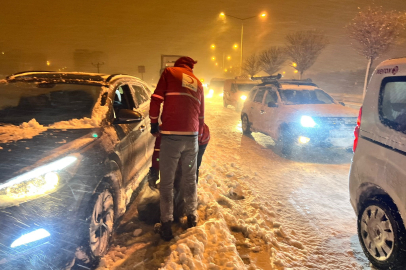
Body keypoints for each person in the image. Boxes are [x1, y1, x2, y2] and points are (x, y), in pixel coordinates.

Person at [149, 56, 204, 241]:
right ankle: (192, 217)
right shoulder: (198, 82)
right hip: (192, 138)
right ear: (190, 68)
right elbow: (202, 116)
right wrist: (196, 132)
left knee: (167, 182)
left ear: (178, 64)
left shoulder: (169, 72)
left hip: (172, 136)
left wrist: (154, 123)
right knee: (189, 179)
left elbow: (156, 98)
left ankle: (166, 225)